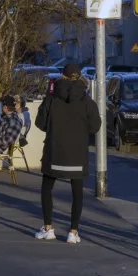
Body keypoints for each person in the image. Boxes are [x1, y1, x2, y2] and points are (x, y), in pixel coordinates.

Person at [34, 64, 101, 244]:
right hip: (77, 153)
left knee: (47, 188)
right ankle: (73, 231)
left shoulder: (52, 98)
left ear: (62, 77)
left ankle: (48, 228)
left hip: (54, 151)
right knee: (77, 192)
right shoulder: (87, 102)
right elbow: (95, 127)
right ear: (80, 78)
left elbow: (40, 123)